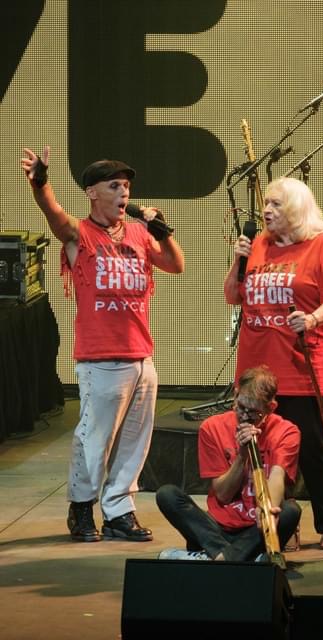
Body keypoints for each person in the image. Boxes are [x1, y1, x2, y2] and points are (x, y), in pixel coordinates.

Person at [20, 146, 185, 543]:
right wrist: (40, 182)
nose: (124, 193)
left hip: (141, 356)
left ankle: (119, 512)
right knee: (95, 439)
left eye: (127, 186)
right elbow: (53, 214)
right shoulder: (81, 234)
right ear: (93, 192)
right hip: (101, 358)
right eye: (115, 186)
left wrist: (163, 231)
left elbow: (175, 265)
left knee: (134, 442)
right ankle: (81, 508)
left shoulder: (139, 232)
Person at [224, 177, 323, 551]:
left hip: (299, 367)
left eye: (276, 204)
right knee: (263, 450)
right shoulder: (256, 245)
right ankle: (282, 520)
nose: (266, 211)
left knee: (311, 449)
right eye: (266, 203)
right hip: (256, 369)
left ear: (296, 208)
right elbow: (233, 295)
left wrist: (310, 319)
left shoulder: (321, 245)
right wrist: (238, 260)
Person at [156, 366, 302, 561]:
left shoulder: (287, 431)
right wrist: (242, 455)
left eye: (253, 412)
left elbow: (277, 476)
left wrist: (267, 510)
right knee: (167, 495)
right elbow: (223, 495)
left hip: (256, 528)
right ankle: (237, 557)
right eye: (240, 407)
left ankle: (215, 557)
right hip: (218, 527)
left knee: (290, 511)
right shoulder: (212, 427)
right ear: (235, 394)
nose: (244, 415)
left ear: (270, 407)